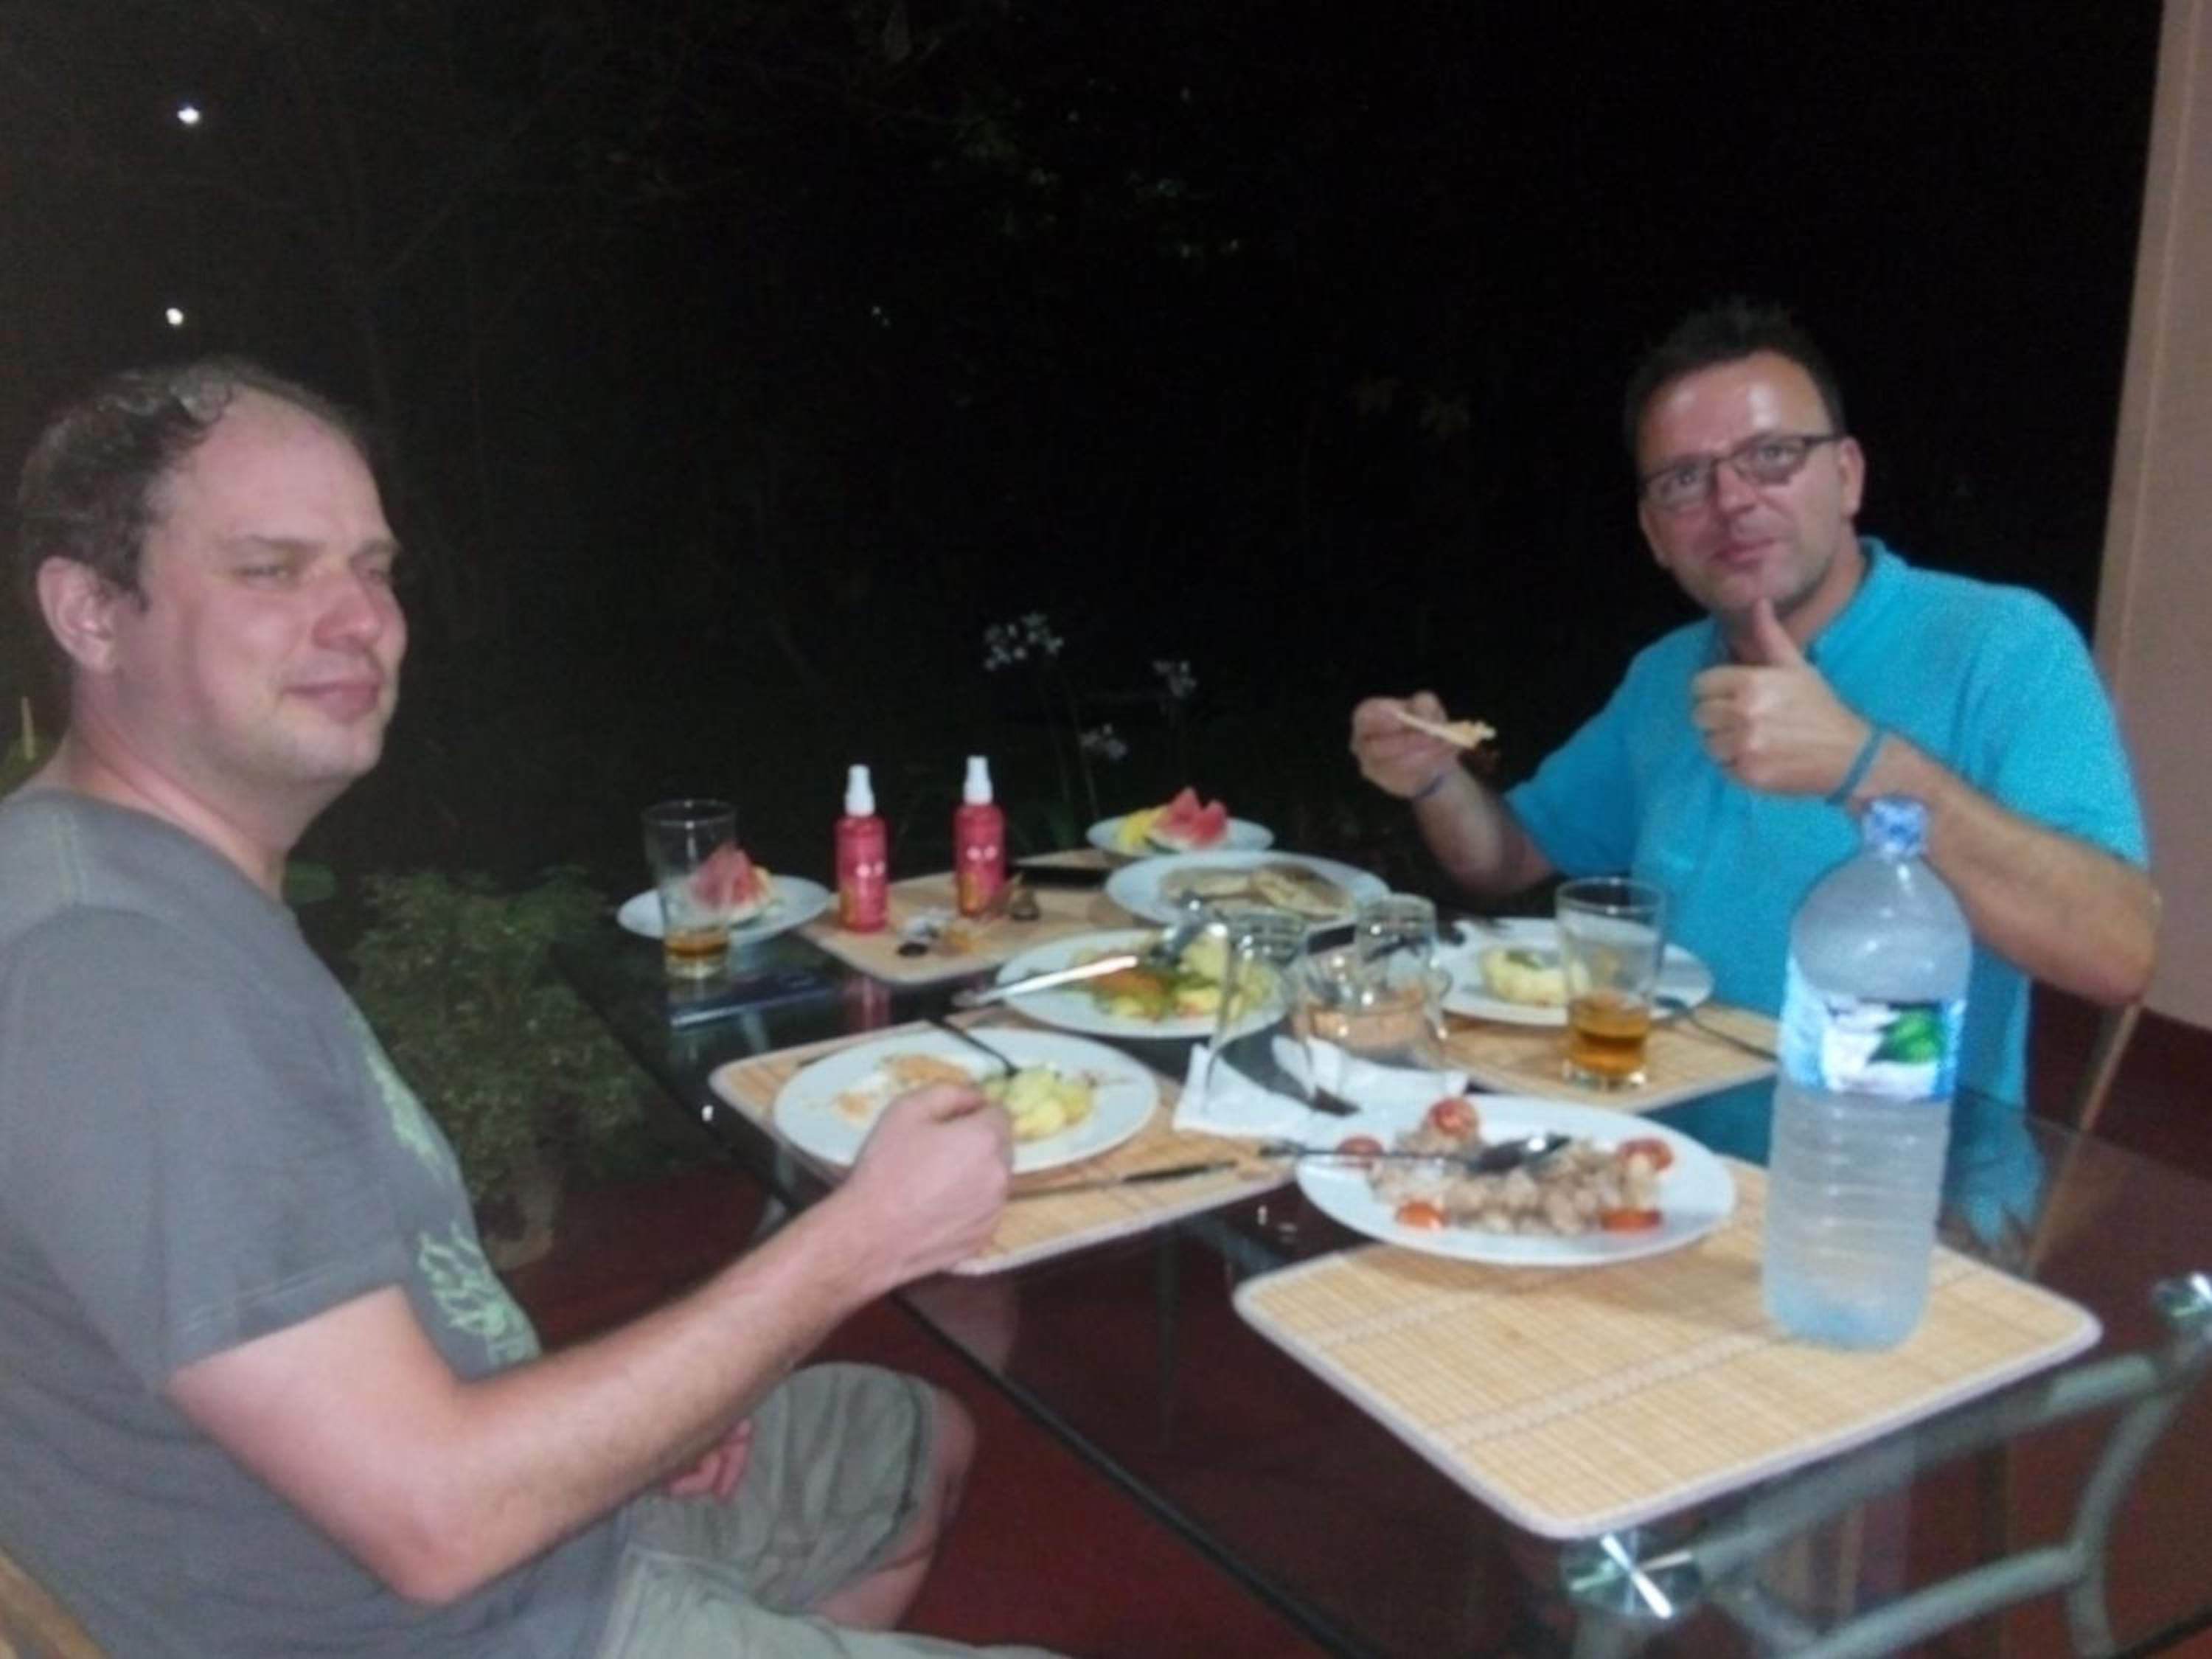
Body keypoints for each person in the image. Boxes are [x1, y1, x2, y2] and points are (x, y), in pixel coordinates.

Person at [0, 358, 1060, 1658]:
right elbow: (435, 1515)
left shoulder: (132, 881)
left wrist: (640, 1419)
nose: (362, 620)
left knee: (903, 1443)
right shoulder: (116, 974)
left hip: (497, 1528)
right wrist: (861, 1237)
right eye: (272, 569)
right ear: (92, 613)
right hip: (463, 1616)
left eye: (374, 568)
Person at [1350, 299, 2156, 1107]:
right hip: (1648, 1138)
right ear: (1654, 532)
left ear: (1847, 476)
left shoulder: (2001, 645)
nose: (1731, 499)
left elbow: (2121, 952)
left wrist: (1862, 764)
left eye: (1771, 455)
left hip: (1887, 1161)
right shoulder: (1666, 675)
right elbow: (1506, 858)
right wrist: (1435, 778)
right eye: (1685, 479)